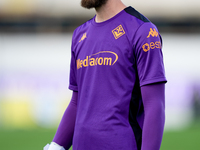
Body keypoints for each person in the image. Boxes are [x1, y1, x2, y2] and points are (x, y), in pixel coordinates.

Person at [44, 0, 167, 149]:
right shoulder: (79, 34)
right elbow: (77, 103)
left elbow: (154, 105)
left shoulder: (143, 31)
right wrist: (56, 146)